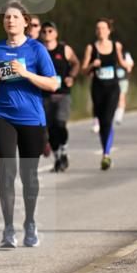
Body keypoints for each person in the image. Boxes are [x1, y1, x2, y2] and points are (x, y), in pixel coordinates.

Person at [0, 0, 59, 247]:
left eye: (15, 17)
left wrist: (26, 73)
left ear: (26, 22)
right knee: (7, 172)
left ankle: (30, 223)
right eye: (6, 17)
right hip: (2, 116)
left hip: (32, 119)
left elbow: (53, 84)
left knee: (29, 176)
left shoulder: (37, 50)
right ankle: (8, 229)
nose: (10, 21)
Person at [83, 19, 134, 170]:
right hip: (98, 88)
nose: (100, 31)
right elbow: (84, 70)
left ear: (109, 30)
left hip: (113, 88)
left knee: (107, 119)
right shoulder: (91, 48)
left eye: (103, 28)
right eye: (98, 28)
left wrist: (128, 66)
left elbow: (123, 64)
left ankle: (106, 154)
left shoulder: (116, 46)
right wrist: (92, 65)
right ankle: (106, 151)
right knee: (101, 119)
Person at [41, 20, 80, 172]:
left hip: (62, 93)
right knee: (50, 129)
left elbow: (76, 63)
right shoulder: (39, 50)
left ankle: (64, 149)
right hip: (45, 95)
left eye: (50, 31)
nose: (47, 34)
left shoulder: (64, 49)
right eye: (44, 31)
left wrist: (71, 76)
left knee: (60, 123)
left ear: (56, 33)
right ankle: (58, 157)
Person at [114, 43, 134, 125]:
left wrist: (128, 67)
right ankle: (115, 112)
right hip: (113, 80)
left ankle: (119, 116)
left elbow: (130, 64)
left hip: (123, 79)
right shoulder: (110, 54)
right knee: (114, 98)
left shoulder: (126, 54)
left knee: (121, 96)